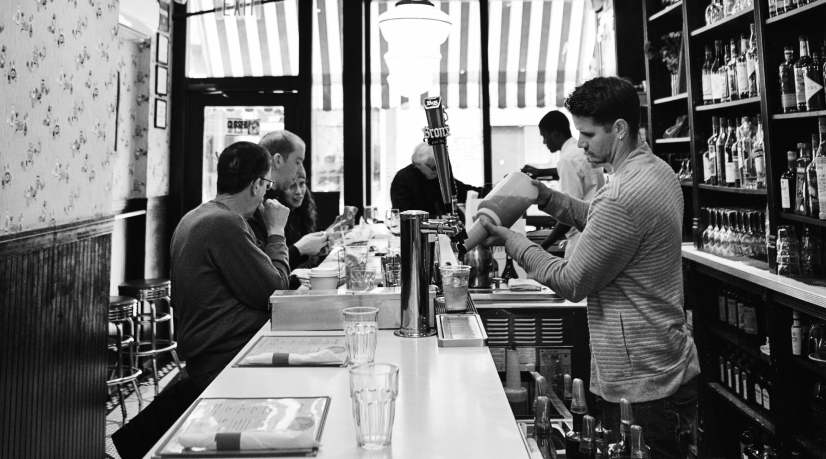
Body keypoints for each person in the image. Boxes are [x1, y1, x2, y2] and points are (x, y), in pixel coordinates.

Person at [480, 77, 700, 458]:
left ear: (619, 129)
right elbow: (601, 219)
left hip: (640, 383)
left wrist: (513, 241)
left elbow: (571, 281)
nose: (579, 143)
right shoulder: (657, 171)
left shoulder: (622, 194)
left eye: (587, 133)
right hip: (668, 361)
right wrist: (548, 197)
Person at [112, 141, 291, 458]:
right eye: (266, 185)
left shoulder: (195, 216)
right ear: (256, 185)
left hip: (201, 357)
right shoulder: (226, 224)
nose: (266, 195)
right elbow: (275, 292)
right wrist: (277, 231)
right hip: (227, 360)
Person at [534, 110, 605, 258]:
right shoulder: (580, 151)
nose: (544, 142)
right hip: (598, 235)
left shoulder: (567, 159)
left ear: (555, 134)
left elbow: (569, 213)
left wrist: (544, 245)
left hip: (581, 241)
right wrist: (539, 172)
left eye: (544, 137)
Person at [248, 165, 331, 288]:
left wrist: (319, 250)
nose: (298, 191)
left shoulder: (302, 213)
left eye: (302, 184)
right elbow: (271, 273)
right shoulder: (270, 215)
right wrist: (300, 248)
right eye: (292, 186)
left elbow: (304, 269)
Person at [390, 142, 482, 218]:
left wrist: (491, 191)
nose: (437, 171)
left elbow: (464, 191)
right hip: (416, 234)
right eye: (433, 167)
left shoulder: (441, 177)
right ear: (418, 164)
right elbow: (403, 215)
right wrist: (436, 218)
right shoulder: (403, 179)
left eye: (440, 167)